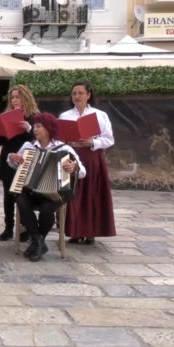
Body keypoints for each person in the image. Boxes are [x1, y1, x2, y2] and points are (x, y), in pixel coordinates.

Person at [7, 112, 86, 262]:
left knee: (47, 208)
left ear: (49, 128)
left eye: (39, 126)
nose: (35, 129)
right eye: (34, 126)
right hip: (30, 191)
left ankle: (37, 241)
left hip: (53, 194)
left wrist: (74, 167)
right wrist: (12, 158)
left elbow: (83, 172)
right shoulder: (28, 146)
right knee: (20, 200)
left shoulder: (64, 149)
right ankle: (39, 241)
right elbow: (13, 164)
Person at [59, 81, 115, 244]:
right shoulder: (65, 116)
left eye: (80, 93)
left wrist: (92, 142)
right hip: (72, 156)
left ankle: (91, 231)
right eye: (74, 93)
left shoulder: (100, 115)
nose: (77, 96)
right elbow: (59, 138)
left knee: (92, 194)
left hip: (92, 158)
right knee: (74, 195)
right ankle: (75, 231)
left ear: (88, 95)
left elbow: (109, 139)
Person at [0, 84, 39, 242]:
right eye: (13, 97)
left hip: (27, 158)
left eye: (18, 97)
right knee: (8, 195)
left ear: (26, 98)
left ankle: (25, 226)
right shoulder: (7, 115)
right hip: (8, 157)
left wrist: (29, 129)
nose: (15, 100)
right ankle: (8, 227)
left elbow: (40, 138)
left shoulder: (34, 116)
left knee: (23, 193)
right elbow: (1, 140)